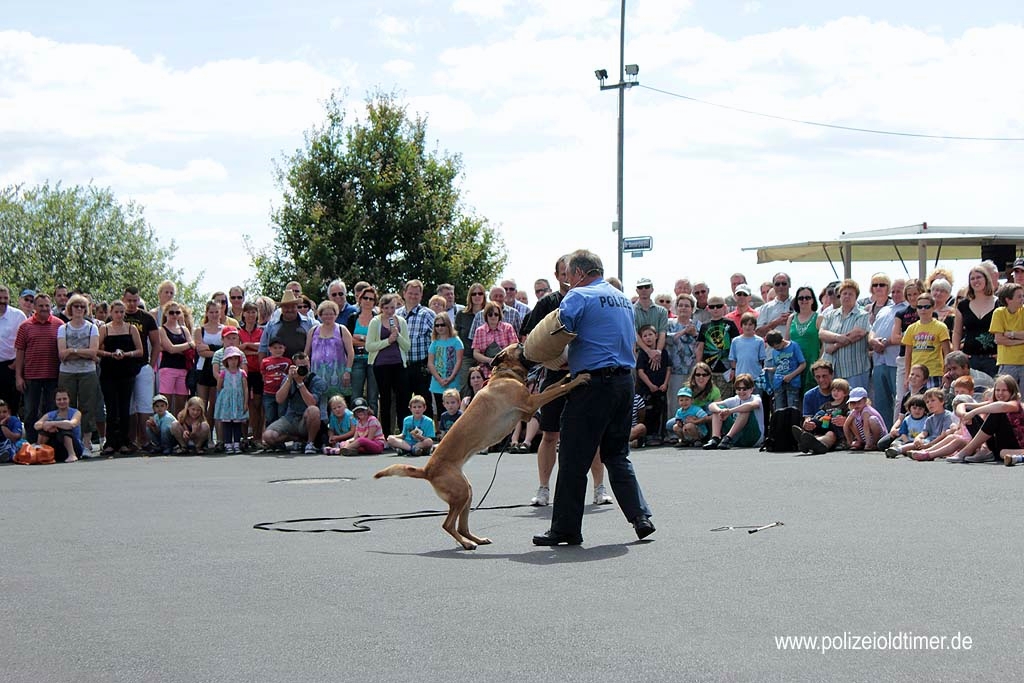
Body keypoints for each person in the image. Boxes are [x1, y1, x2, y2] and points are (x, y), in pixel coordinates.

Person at [533, 249, 654, 546]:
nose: (567, 281)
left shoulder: (578, 296)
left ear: (578, 273)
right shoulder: (623, 299)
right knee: (617, 454)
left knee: (574, 457)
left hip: (593, 384)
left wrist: (551, 358)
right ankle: (640, 517)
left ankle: (565, 529)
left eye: (568, 275)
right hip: (625, 382)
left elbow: (557, 334)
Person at [14, 293, 64, 443]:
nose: (44, 308)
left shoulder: (59, 324)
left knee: (51, 412)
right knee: (30, 413)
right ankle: (31, 443)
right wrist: (18, 376)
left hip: (53, 376)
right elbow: (20, 352)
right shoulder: (25, 326)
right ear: (35, 307)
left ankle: (50, 444)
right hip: (31, 376)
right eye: (41, 306)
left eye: (47, 306)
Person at [98, 300, 143, 455]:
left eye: (121, 312)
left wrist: (126, 354)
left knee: (124, 407)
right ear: (111, 312)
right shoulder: (104, 329)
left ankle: (124, 442)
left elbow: (140, 351)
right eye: (116, 312)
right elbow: (96, 349)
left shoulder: (132, 329)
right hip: (108, 372)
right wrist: (110, 354)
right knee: (111, 408)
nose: (119, 315)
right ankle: (110, 442)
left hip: (127, 372)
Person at [56, 294, 100, 452]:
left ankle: (86, 441)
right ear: (70, 308)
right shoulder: (63, 328)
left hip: (87, 372)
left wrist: (72, 351)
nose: (79, 309)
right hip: (67, 372)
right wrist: (84, 352)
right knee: (68, 405)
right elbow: (62, 354)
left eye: (82, 307)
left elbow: (93, 352)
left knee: (87, 405)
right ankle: (70, 442)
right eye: (76, 306)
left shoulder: (92, 327)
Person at [262, 352, 327, 454]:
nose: (302, 369)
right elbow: (279, 399)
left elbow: (311, 403)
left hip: (306, 420)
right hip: (290, 418)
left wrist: (300, 383)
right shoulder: (289, 379)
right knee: (268, 436)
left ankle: (310, 443)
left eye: (305, 366)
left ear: (309, 364)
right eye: (299, 366)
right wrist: (289, 379)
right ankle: (297, 439)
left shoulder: (317, 381)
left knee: (313, 410)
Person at [366, 293, 411, 434]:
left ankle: (403, 432)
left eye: (392, 307)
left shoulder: (401, 321)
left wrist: (397, 336)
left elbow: (407, 346)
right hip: (381, 365)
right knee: (385, 399)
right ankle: (386, 433)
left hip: (399, 364)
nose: (390, 311)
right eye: (386, 308)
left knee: (402, 398)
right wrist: (388, 341)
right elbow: (369, 346)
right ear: (381, 308)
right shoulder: (375, 322)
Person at [122, 287, 160, 451]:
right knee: (129, 406)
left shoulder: (147, 318)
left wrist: (151, 366)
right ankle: (130, 440)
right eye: (129, 300)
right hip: (122, 368)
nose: (132, 304)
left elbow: (157, 343)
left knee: (145, 405)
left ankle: (145, 440)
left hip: (143, 366)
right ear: (124, 299)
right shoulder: (117, 315)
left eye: (135, 300)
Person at [819, 279, 871, 390]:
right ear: (839, 296)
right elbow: (822, 334)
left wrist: (834, 346)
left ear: (856, 297)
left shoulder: (863, 315)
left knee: (856, 403)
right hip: (833, 369)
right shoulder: (830, 315)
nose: (847, 296)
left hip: (855, 369)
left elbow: (856, 334)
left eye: (850, 294)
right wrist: (840, 338)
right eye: (844, 293)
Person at [305, 300, 355, 412]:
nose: (328, 316)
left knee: (338, 404)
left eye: (331, 313)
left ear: (336, 314)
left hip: (338, 374)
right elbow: (306, 352)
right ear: (320, 315)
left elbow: (351, 352)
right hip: (317, 374)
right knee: (319, 404)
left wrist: (348, 371)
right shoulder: (313, 331)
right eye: (325, 314)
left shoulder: (342, 329)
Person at [397, 280, 437, 416]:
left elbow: (437, 338)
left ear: (421, 296)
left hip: (421, 365)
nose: (413, 296)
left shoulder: (428, 314)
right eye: (410, 293)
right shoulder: (396, 314)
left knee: (424, 401)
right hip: (401, 365)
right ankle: (404, 432)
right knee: (402, 402)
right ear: (404, 294)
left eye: (416, 294)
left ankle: (427, 433)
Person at [952, 265, 998, 377]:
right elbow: (957, 332)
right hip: (970, 358)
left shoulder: (999, 303)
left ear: (986, 279)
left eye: (979, 277)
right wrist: (957, 353)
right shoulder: (963, 305)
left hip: (993, 358)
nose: (975, 281)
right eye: (972, 278)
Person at [901, 293, 951, 390]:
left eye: (926, 307)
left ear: (933, 307)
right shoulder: (911, 328)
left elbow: (947, 353)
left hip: (934, 372)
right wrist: (907, 376)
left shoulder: (941, 327)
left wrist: (946, 374)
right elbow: (908, 355)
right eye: (920, 307)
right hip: (916, 374)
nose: (923, 310)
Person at [702, 373, 764, 450]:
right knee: (718, 409)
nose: (741, 391)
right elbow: (712, 405)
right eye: (738, 389)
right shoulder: (735, 399)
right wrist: (721, 411)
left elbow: (752, 405)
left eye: (745, 389)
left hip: (753, 437)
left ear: (751, 389)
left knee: (745, 410)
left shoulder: (756, 398)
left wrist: (730, 411)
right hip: (737, 437)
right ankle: (715, 438)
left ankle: (728, 438)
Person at [695, 295, 739, 399]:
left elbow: (735, 347)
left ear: (724, 307)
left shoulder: (730, 323)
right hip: (708, 370)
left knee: (725, 400)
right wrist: (698, 367)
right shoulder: (704, 326)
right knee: (708, 399)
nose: (715, 309)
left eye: (718, 306)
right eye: (712, 306)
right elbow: (700, 348)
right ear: (707, 308)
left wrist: (734, 368)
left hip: (726, 369)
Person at [158, 301, 195, 417]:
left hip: (183, 369)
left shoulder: (184, 329)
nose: (174, 315)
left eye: (177, 312)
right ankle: (164, 428)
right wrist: (187, 346)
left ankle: (178, 430)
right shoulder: (162, 329)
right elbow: (171, 349)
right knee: (165, 402)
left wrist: (185, 347)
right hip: (168, 368)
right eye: (171, 312)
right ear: (166, 314)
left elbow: (193, 345)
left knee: (181, 403)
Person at [794, 378, 850, 455]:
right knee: (815, 422)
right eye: (833, 390)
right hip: (824, 427)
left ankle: (811, 444)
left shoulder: (846, 405)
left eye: (838, 391)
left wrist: (846, 419)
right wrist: (815, 420)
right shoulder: (827, 405)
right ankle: (807, 440)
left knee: (831, 433)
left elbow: (851, 415)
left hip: (837, 431)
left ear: (845, 393)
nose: (835, 393)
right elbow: (819, 414)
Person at [347, 285, 380, 414]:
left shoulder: (378, 319)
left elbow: (378, 341)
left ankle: (374, 428)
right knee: (356, 397)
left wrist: (359, 338)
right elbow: (349, 340)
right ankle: (356, 428)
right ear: (360, 300)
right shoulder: (353, 318)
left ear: (374, 302)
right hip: (357, 360)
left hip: (374, 360)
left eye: (371, 299)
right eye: (365, 298)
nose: (368, 301)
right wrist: (367, 340)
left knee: (372, 397)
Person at [636, 324, 671, 445]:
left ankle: (658, 434)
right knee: (647, 412)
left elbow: (668, 369)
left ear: (656, 336)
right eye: (644, 336)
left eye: (650, 334)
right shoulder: (642, 354)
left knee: (659, 411)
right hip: (646, 389)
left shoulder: (664, 353)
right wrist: (650, 385)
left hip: (661, 388)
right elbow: (640, 371)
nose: (648, 338)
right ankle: (645, 435)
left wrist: (665, 384)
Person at [214, 346, 249, 454]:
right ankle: (228, 443)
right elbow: (219, 386)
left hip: (238, 400)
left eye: (235, 358)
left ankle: (237, 443)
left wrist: (245, 402)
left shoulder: (242, 373)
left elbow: (245, 388)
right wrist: (224, 396)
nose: (233, 361)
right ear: (226, 360)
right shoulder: (224, 373)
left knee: (237, 423)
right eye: (230, 359)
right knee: (227, 423)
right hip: (227, 401)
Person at [34, 388, 83, 463]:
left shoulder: (76, 412)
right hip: (56, 447)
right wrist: (46, 426)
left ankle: (72, 455)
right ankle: (39, 453)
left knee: (63, 426)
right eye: (59, 399)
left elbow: (71, 424)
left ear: (69, 399)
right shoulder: (51, 414)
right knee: (45, 427)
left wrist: (53, 424)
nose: (62, 401)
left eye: (64, 399)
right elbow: (36, 425)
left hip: (75, 447)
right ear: (55, 401)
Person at [0, 285, 28, 415]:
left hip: (11, 365)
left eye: (6, 298)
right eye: (0, 298)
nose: (3, 301)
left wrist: (17, 364)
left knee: (11, 404)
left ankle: (12, 432)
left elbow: (26, 343)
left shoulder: (18, 316)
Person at [990, 282, 1024, 387]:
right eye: (1019, 297)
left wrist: (1010, 334)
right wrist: (1022, 340)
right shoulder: (999, 313)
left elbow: (1003, 339)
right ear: (1008, 300)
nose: (1022, 299)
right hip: (1007, 363)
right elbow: (999, 340)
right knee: (1005, 395)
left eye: (1023, 296)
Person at [427, 314, 463, 414]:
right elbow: (430, 363)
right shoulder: (434, 342)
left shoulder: (456, 341)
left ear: (448, 325)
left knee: (453, 409)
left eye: (442, 325)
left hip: (453, 381)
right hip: (437, 382)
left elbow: (459, 361)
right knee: (439, 409)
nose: (440, 328)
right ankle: (440, 429)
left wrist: (451, 378)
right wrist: (439, 379)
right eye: (437, 325)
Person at [471, 301, 518, 378]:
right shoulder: (479, 331)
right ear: (486, 316)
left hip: (506, 370)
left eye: (496, 314)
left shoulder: (508, 328)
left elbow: (514, 348)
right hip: (485, 372)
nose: (493, 317)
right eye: (490, 314)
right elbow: (476, 353)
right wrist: (490, 360)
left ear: (500, 315)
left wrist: (501, 360)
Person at [765, 330, 806, 411]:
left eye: (777, 346)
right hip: (778, 383)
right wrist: (768, 369)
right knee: (779, 408)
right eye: (774, 348)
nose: (776, 349)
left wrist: (791, 376)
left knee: (792, 408)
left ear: (782, 340)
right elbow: (777, 367)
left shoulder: (793, 346)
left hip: (792, 382)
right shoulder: (774, 351)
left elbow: (803, 364)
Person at [633, 277, 668, 372]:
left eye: (646, 286)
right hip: (637, 355)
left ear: (652, 289)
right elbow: (634, 334)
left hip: (658, 357)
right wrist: (649, 352)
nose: (643, 289)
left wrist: (658, 352)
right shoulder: (631, 311)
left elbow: (662, 333)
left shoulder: (662, 311)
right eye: (640, 287)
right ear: (637, 290)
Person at [756, 273, 792, 338]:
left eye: (784, 283)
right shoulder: (766, 308)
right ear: (774, 287)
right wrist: (776, 322)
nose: (781, 286)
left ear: (789, 285)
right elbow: (758, 333)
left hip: (794, 346)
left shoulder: (798, 303)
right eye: (777, 284)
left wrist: (792, 320)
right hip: (773, 347)